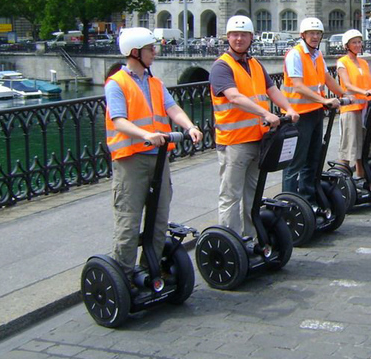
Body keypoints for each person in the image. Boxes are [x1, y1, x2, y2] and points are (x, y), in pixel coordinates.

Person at [104, 27, 203, 280]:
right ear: (135, 52)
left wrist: (190, 126)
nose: (155, 52)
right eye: (150, 49)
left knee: (159, 219)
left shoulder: (154, 82)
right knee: (129, 221)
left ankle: (151, 269)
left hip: (158, 159)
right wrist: (145, 134)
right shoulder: (117, 83)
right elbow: (118, 120)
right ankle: (124, 277)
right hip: (131, 160)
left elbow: (172, 108)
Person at [209, 16, 299, 240]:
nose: (239, 39)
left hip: (258, 139)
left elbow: (272, 90)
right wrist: (266, 114)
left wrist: (288, 108)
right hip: (234, 142)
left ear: (251, 38)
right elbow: (234, 97)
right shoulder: (221, 66)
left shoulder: (255, 64)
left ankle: (251, 238)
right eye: (234, 35)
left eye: (244, 35)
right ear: (227, 37)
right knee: (231, 195)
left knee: (253, 194)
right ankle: (230, 242)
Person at [281, 17, 346, 201]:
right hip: (299, 116)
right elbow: (298, 86)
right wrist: (324, 101)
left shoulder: (317, 55)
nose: (315, 37)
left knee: (312, 160)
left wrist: (344, 94)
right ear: (303, 35)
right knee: (295, 163)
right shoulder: (295, 54)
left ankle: (308, 200)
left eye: (318, 33)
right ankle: (290, 202)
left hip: (316, 113)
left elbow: (326, 78)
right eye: (311, 33)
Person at [336, 29, 371, 179]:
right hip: (350, 108)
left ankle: (362, 177)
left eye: (359, 42)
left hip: (365, 108)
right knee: (350, 144)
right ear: (347, 45)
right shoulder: (342, 62)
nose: (357, 45)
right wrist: (364, 92)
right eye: (354, 42)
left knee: (365, 144)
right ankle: (340, 178)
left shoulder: (363, 62)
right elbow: (347, 85)